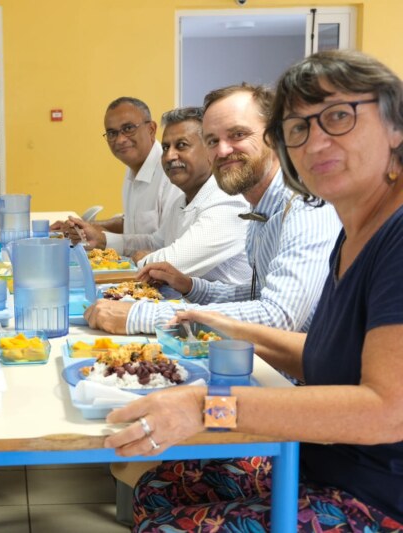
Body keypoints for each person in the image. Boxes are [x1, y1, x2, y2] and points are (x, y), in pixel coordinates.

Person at [105, 49, 403, 532]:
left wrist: (208, 409)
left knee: (163, 525)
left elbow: (388, 411)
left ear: (395, 126)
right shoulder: (353, 231)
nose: (316, 141)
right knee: (158, 489)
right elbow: (324, 355)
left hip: (379, 496)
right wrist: (211, 318)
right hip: (322, 458)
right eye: (298, 128)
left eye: (338, 117)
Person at [85, 83, 342, 335]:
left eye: (238, 134)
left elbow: (279, 316)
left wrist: (143, 316)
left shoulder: (307, 208)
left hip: (298, 376)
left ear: (275, 136)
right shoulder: (259, 209)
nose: (222, 150)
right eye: (212, 140)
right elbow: (256, 294)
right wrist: (192, 287)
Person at [67, 107, 252, 284]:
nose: (170, 156)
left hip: (220, 311)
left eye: (181, 145)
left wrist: (145, 258)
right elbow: (156, 242)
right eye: (165, 148)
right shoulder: (182, 200)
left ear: (210, 149)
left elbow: (174, 262)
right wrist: (102, 239)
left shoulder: (228, 201)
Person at [52, 97, 183, 255]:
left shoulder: (172, 174)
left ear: (151, 129)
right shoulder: (133, 168)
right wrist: (87, 226)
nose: (120, 139)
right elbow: (131, 221)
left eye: (128, 128)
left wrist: (101, 238)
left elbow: (167, 245)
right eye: (112, 133)